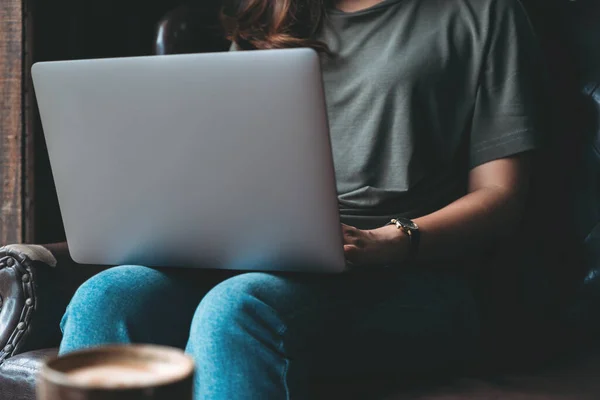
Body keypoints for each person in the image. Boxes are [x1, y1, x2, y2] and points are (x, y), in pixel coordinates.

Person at [59, 0, 545, 398]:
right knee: (107, 295)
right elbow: (223, 168)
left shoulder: (483, 12)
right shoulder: (273, 15)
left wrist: (386, 242)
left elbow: (501, 196)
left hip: (410, 276)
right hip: (264, 263)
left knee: (238, 307)